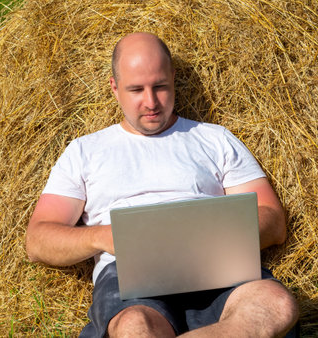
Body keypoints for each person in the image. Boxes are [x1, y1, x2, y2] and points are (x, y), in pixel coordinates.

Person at [26, 32, 299, 337]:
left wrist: (213, 234)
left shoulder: (215, 139)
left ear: (173, 79)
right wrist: (107, 237)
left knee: (275, 303)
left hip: (217, 262)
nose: (151, 102)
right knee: (135, 327)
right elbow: (38, 240)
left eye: (160, 87)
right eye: (136, 90)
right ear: (114, 89)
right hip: (129, 275)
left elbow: (273, 221)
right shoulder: (85, 151)